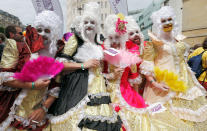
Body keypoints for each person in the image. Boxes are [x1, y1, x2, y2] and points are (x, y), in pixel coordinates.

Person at [48, 2, 123, 131]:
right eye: (86, 22)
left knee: (102, 120)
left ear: (97, 25)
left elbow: (99, 71)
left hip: (99, 89)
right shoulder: (75, 40)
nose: (89, 25)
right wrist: (83, 65)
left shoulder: (100, 43)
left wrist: (112, 74)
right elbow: (59, 65)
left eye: (92, 22)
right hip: (78, 88)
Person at [140, 6, 207, 130]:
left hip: (184, 82)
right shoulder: (155, 42)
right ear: (159, 24)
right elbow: (147, 65)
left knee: (189, 117)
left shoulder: (179, 39)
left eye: (169, 19)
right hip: (162, 84)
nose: (167, 23)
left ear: (173, 20)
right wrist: (154, 83)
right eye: (163, 21)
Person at [0, 10, 62, 130]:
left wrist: (44, 108)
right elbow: (3, 77)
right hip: (11, 111)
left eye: (47, 30)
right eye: (39, 30)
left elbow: (56, 86)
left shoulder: (56, 55)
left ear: (53, 33)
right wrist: (32, 85)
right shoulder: (17, 46)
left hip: (37, 116)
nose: (43, 34)